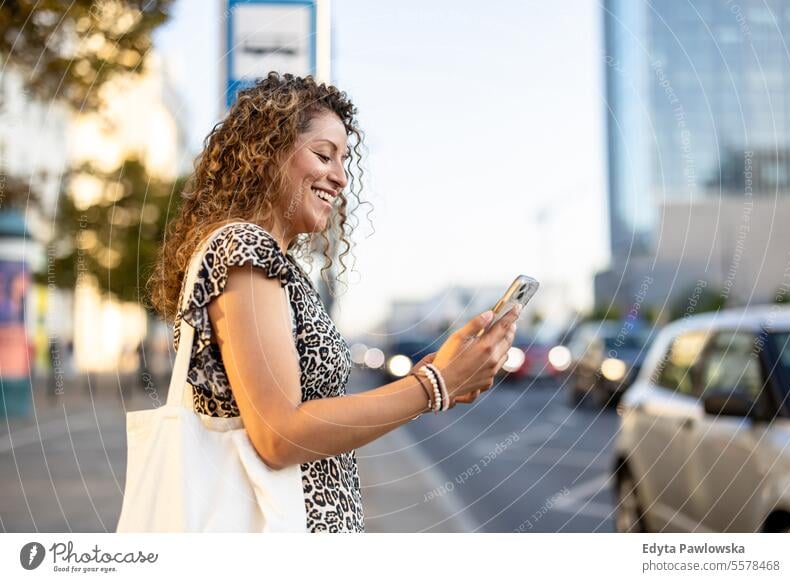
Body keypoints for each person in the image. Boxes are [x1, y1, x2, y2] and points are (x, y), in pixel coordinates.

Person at [147, 72, 520, 533]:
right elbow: (278, 434)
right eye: (324, 155)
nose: (341, 177)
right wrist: (434, 384)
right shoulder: (245, 249)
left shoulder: (275, 263)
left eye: (345, 160)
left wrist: (449, 374)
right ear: (266, 153)